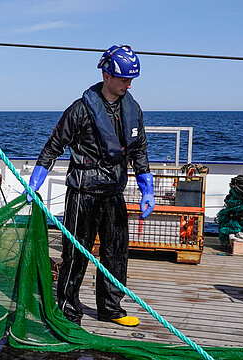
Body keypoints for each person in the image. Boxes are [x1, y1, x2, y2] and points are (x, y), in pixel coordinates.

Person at [27, 44, 154, 327]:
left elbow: (140, 149)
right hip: (83, 194)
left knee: (116, 252)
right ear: (106, 75)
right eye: (123, 79)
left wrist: (147, 187)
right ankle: (69, 309)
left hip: (113, 192)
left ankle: (111, 307)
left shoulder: (133, 110)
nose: (128, 85)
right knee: (76, 253)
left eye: (131, 80)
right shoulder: (80, 110)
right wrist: (34, 183)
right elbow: (53, 147)